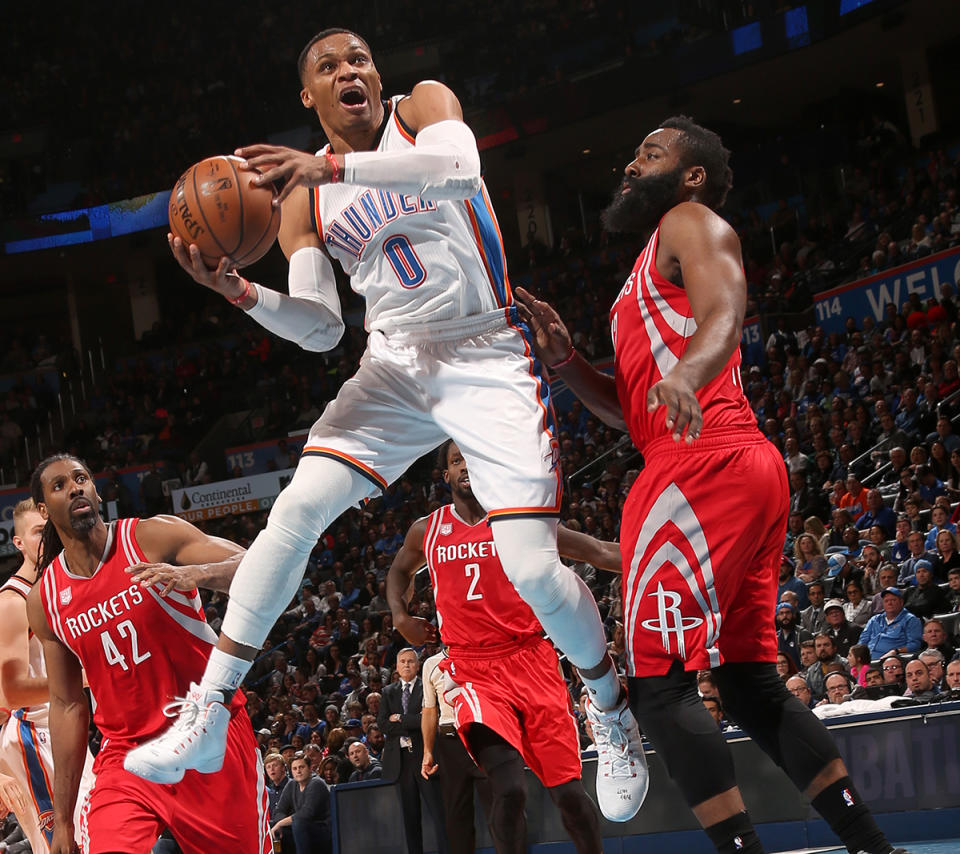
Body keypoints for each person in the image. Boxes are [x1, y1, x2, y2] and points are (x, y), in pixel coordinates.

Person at [135, 27, 644, 817]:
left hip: (484, 351)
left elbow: (458, 169)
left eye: (359, 60)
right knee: (296, 509)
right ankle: (209, 708)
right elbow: (319, 327)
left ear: (378, 76)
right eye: (329, 67)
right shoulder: (303, 196)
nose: (351, 72)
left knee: (534, 569)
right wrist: (238, 291)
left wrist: (329, 164)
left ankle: (609, 713)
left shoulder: (424, 108)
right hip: (395, 362)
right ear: (308, 96)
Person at [515, 117, 904, 854]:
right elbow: (637, 413)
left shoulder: (690, 220)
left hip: (700, 464)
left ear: (691, 175)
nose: (631, 164)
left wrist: (688, 373)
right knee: (751, 684)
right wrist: (569, 363)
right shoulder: (646, 262)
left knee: (659, 688)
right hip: (724, 463)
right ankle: (873, 847)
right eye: (631, 152)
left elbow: (727, 311)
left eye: (650, 154)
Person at [23, 454, 271, 854]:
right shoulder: (45, 599)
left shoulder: (151, 538)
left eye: (81, 478)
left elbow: (260, 568)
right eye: (60, 485)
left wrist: (197, 575)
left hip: (207, 739)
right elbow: (67, 704)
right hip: (127, 757)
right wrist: (64, 822)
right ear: (43, 510)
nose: (75, 488)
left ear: (96, 490)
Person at [389, 440, 617, 853]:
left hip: (532, 660)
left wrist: (661, 558)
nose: (465, 467)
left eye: (472, 459)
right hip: (473, 669)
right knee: (509, 789)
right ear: (446, 476)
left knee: (569, 797)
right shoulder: (428, 529)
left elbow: (598, 552)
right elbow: (399, 571)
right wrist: (400, 617)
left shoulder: (519, 520)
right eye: (457, 461)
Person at [0, 500, 95, 854]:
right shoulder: (13, 601)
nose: (47, 538)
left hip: (67, 728)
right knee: (65, 846)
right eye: (38, 532)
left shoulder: (59, 590)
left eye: (50, 528)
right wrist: (87, 677)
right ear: (19, 542)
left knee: (100, 837)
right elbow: (10, 693)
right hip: (34, 734)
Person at [376, 648, 448, 854]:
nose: (406, 665)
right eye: (402, 661)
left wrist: (400, 718)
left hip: (425, 758)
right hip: (400, 763)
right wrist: (415, 721)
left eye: (410, 661)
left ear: (418, 666)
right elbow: (383, 724)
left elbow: (431, 719)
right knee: (410, 818)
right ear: (397, 667)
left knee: (438, 813)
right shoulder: (388, 692)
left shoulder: (427, 687)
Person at [420, 646, 491, 854]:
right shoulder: (431, 664)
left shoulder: (481, 652)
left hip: (483, 735)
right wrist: (427, 750)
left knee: (502, 808)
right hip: (450, 741)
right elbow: (429, 709)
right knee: (456, 816)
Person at [271, 753, 331, 853]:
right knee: (273, 827)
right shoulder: (292, 784)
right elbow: (279, 810)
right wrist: (279, 824)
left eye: (301, 767)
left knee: (298, 823)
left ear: (310, 768)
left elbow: (306, 814)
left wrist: (281, 823)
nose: (298, 771)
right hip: (300, 829)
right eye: (294, 769)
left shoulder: (316, 783)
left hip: (322, 831)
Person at [859, 587, 924, 659]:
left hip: (891, 661)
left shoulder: (911, 620)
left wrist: (896, 651)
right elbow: (863, 640)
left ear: (901, 602)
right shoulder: (875, 619)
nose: (889, 603)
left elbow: (915, 644)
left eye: (893, 600)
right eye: (886, 601)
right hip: (867, 660)